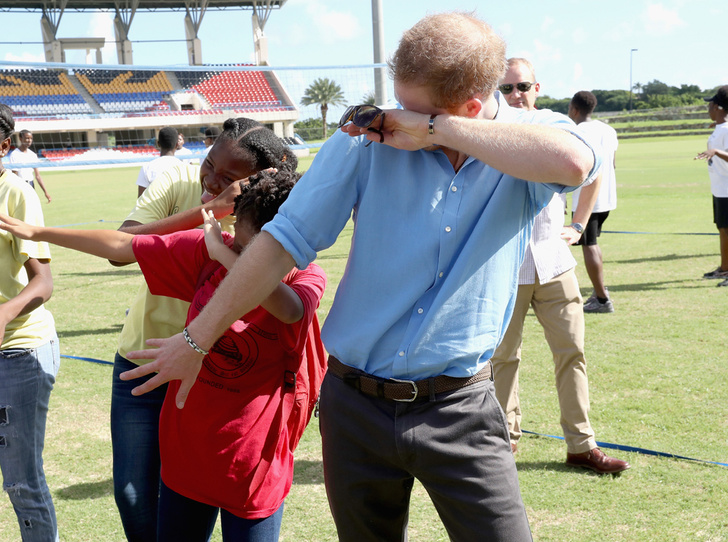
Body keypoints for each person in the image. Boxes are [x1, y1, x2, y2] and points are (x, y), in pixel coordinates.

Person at [117, 13, 602, 541]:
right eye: (397, 103)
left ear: (467, 107)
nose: (393, 119)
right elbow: (283, 242)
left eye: (413, 111)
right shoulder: (368, 139)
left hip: (460, 406)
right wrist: (197, 337)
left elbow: (575, 163)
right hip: (355, 406)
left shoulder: (526, 137)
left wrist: (434, 131)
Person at [0, 169, 326, 542]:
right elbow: (123, 245)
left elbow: (290, 310)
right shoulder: (209, 255)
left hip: (254, 467)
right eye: (238, 240)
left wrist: (225, 253)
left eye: (253, 249)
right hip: (187, 462)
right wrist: (39, 234)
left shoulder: (304, 276)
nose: (237, 246)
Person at [110, 118, 297, 541]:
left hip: (217, 375)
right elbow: (122, 248)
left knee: (195, 497)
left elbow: (290, 303)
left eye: (229, 177)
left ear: (260, 181)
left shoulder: (268, 212)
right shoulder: (176, 179)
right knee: (133, 493)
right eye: (209, 163)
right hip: (145, 357)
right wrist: (207, 210)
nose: (211, 179)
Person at [491, 58, 629, 474]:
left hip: (554, 263)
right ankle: (504, 444)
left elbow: (595, 171)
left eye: (523, 86)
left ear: (538, 87)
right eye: (507, 88)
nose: (516, 94)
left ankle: (581, 445)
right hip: (504, 268)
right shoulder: (488, 133)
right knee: (502, 360)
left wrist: (579, 225)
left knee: (572, 354)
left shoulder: (555, 125)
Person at [0, 104, 61, 541]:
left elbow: (43, 282)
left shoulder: (17, 194)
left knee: (21, 480)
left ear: (4, 146)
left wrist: (5, 312)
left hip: (19, 352)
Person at [568, 91, 619, 312]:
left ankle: (602, 299)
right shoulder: (608, 129)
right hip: (607, 198)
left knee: (589, 246)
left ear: (574, 109)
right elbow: (613, 163)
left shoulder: (576, 131)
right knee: (593, 244)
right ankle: (600, 292)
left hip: (587, 200)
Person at [695, 85, 728, 287]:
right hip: (720, 189)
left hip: (727, 190)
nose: (708, 108)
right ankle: (724, 268)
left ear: (718, 107)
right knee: (723, 229)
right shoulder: (721, 129)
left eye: (711, 104)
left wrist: (716, 151)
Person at [7, 129, 51, 203]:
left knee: (31, 206)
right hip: (20, 185)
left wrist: (45, 192)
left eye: (31, 138)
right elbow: (14, 175)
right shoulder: (15, 154)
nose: (29, 140)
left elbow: (38, 176)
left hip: (31, 184)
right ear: (21, 139)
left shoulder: (33, 155)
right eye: (27, 138)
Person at [136, 127, 182, 197]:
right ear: (177, 144)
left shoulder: (147, 167)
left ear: (158, 144)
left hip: (154, 207)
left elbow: (140, 200)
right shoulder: (184, 168)